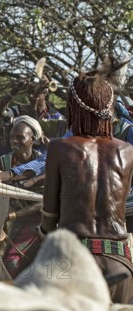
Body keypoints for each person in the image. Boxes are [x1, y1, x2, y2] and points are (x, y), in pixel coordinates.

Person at [39, 73, 133, 303]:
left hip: (74, 264)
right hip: (120, 265)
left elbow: (50, 217)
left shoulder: (59, 148)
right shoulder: (128, 151)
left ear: (74, 108)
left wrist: (43, 234)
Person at [0, 116, 47, 277]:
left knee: (11, 262)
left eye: (20, 137)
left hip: (36, 221)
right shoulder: (2, 165)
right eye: (12, 137)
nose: (14, 141)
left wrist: (13, 215)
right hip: (3, 221)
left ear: (32, 140)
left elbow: (45, 201)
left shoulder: (44, 164)